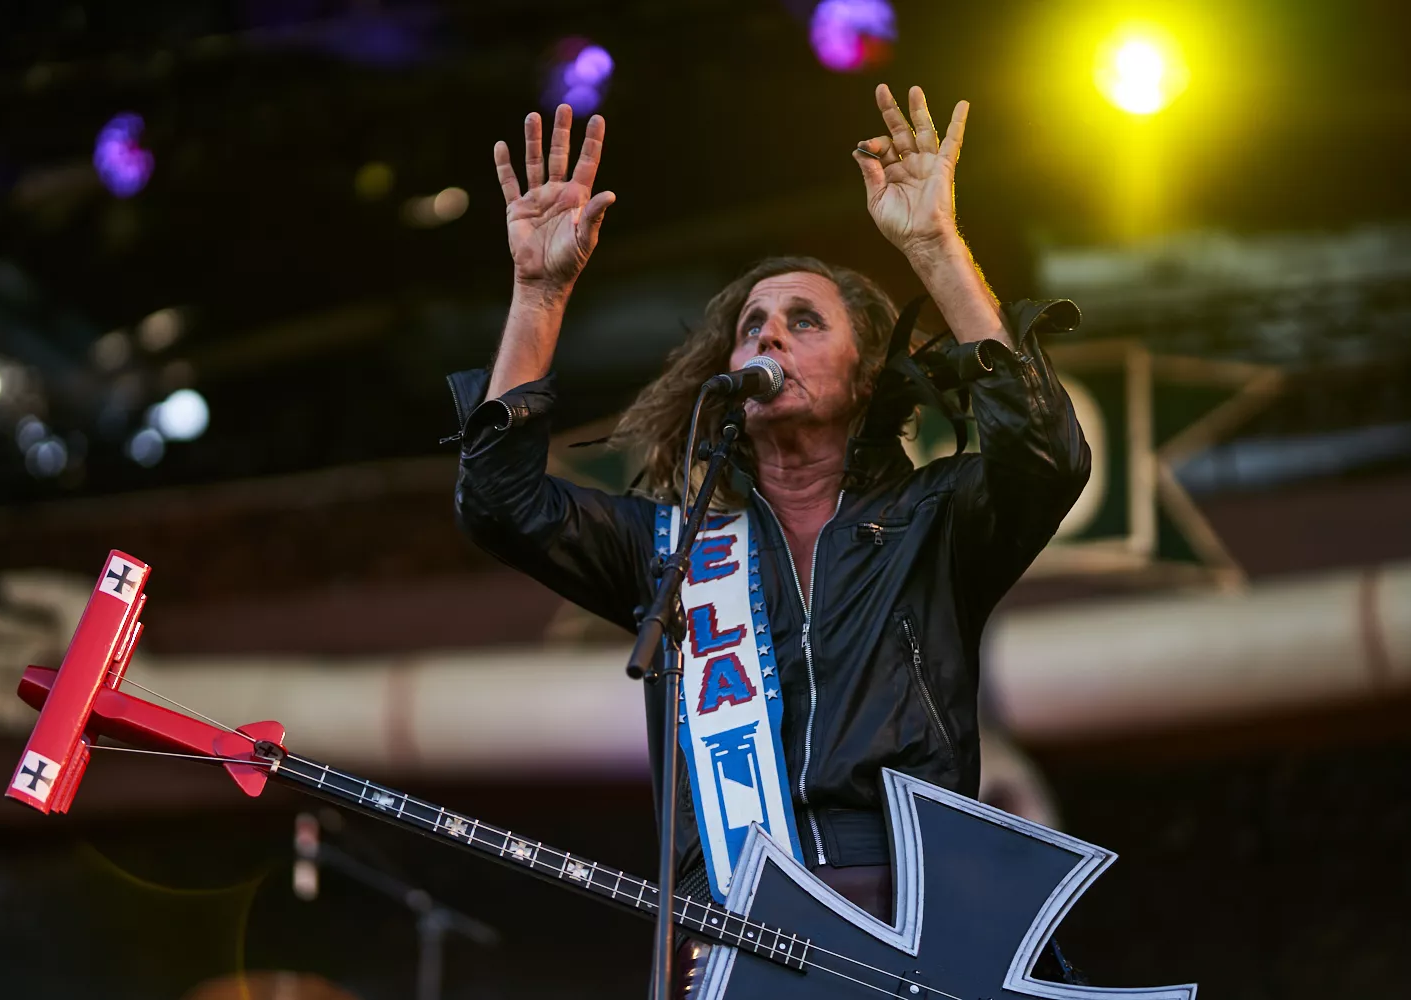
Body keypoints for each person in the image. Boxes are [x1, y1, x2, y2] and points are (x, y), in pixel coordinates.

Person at [447, 84, 1090, 992]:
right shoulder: (673, 547)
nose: (769, 337)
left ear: (864, 378)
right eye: (752, 326)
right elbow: (499, 505)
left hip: (910, 918)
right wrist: (539, 295)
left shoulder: (935, 521)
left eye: (803, 321)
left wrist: (936, 249)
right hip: (733, 926)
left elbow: (1046, 457)